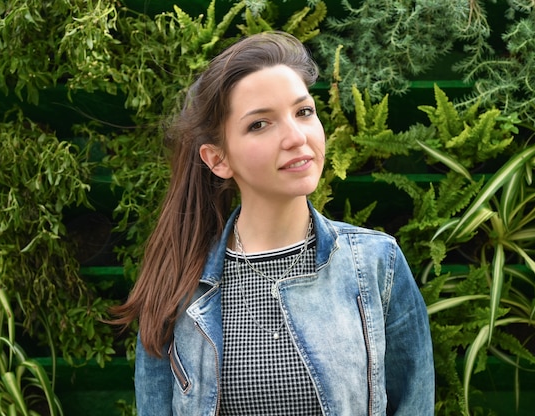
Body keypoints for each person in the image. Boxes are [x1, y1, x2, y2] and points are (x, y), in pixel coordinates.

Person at [111, 31, 435, 415]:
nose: (296, 137)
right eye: (260, 125)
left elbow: (414, 403)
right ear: (217, 159)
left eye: (304, 112)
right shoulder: (178, 285)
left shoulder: (375, 263)